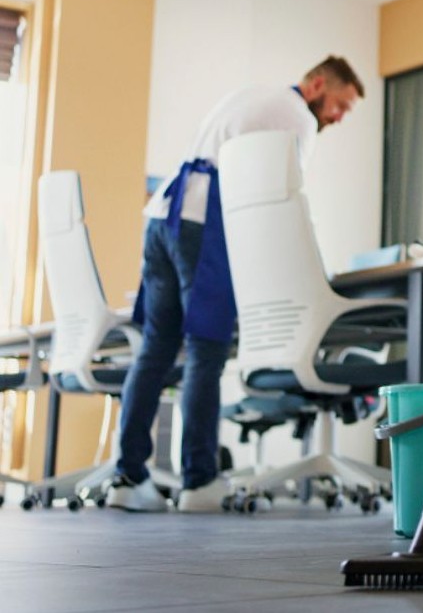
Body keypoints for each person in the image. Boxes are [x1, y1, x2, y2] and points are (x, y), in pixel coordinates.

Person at [108, 56, 365, 513]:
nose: (338, 117)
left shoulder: (251, 96)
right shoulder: (296, 117)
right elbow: (283, 201)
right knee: (207, 349)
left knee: (156, 349)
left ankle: (128, 478)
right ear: (319, 85)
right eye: (340, 105)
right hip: (203, 221)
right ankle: (199, 481)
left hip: (163, 215)